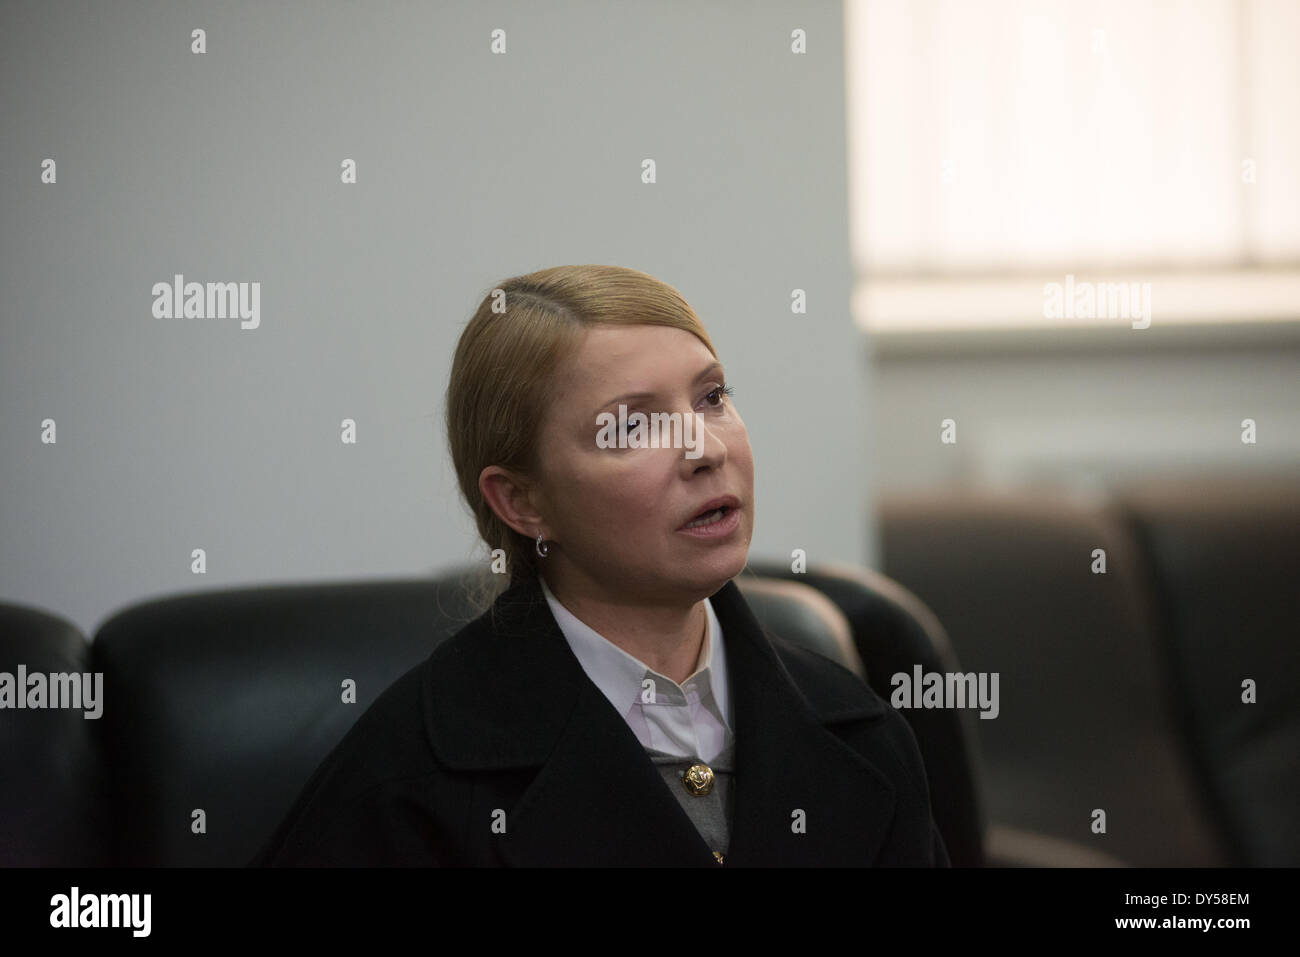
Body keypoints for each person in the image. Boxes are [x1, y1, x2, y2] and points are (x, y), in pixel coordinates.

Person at [252, 264, 950, 866]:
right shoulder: (407, 785)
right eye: (634, 425)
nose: (705, 448)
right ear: (523, 501)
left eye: (712, 397)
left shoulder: (863, 735)